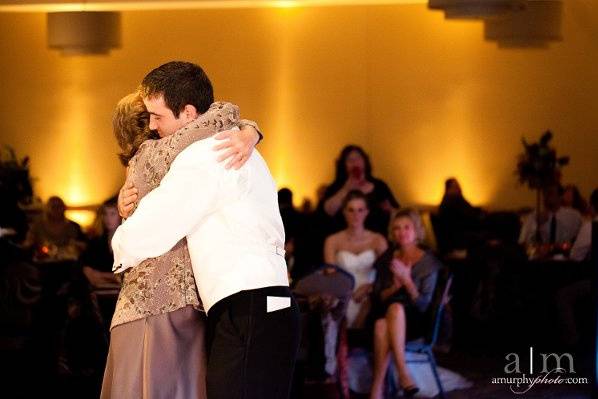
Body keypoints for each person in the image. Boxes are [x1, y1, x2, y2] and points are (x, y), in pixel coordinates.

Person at [111, 61, 300, 399]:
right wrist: (249, 128)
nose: (152, 128)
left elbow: (154, 226)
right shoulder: (236, 144)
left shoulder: (208, 153)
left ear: (187, 113)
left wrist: (121, 241)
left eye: (158, 117)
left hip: (249, 305)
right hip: (271, 303)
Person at [101, 91, 261, 398]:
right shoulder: (157, 155)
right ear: (147, 124)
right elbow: (218, 116)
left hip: (159, 305)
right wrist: (250, 129)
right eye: (155, 114)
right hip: (158, 306)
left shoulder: (144, 162)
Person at [369, 209, 441, 399]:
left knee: (393, 312)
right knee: (382, 323)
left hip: (417, 320)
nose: (402, 232)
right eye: (397, 228)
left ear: (417, 230)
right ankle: (397, 379)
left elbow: (425, 305)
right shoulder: (387, 258)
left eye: (407, 227)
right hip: (388, 315)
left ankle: (382, 387)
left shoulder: (428, 262)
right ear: (392, 233)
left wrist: (408, 282)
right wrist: (395, 286)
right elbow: (378, 297)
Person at [323, 190, 387, 329]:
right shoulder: (333, 240)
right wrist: (346, 293)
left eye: (360, 210)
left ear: (366, 212)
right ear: (344, 212)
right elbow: (330, 274)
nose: (355, 215)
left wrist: (369, 288)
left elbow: (386, 274)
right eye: (351, 210)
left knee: (371, 306)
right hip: (342, 291)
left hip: (369, 291)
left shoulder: (378, 240)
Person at [319, 145, 399, 235]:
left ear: (365, 162)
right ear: (344, 165)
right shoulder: (337, 187)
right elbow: (327, 213)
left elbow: (397, 213)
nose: (355, 162)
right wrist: (346, 189)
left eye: (358, 158)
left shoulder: (379, 186)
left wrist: (390, 209)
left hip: (375, 240)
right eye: (350, 160)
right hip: (345, 242)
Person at [436, 177, 481, 254]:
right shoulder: (451, 202)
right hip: (459, 237)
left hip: (464, 233)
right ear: (448, 189)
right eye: (455, 186)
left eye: (458, 186)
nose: (458, 188)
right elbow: (465, 217)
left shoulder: (458, 200)